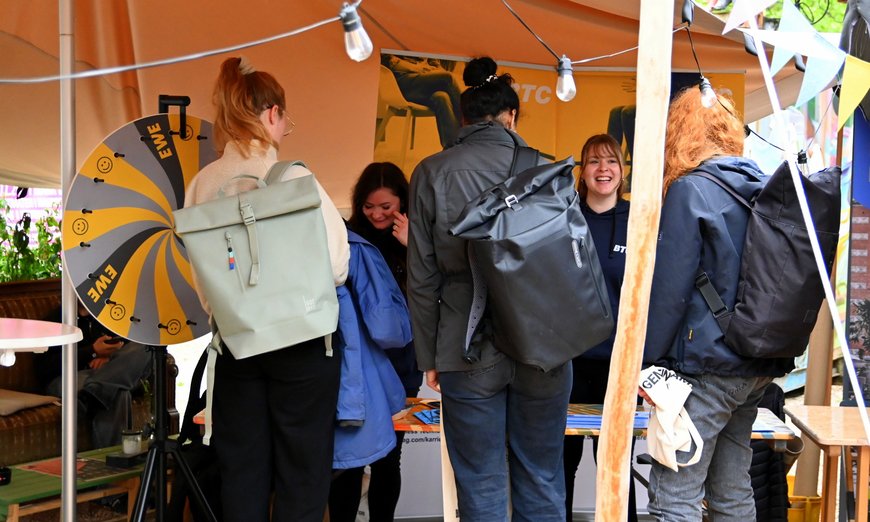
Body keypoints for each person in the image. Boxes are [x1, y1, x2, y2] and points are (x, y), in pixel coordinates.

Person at [183, 56, 349, 522]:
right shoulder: (297, 179)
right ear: (272, 113)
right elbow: (338, 266)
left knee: (243, 470)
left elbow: (203, 278)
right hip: (302, 341)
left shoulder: (201, 185)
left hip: (237, 342)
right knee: (303, 472)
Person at [407, 56, 572, 521]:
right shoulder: (547, 170)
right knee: (541, 476)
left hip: (465, 342)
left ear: (463, 118)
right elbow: (571, 265)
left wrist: (429, 356)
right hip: (544, 341)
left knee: (480, 483)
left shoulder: (432, 172)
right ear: (511, 115)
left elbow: (421, 277)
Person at [641, 86, 794, 521]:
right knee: (731, 491)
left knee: (675, 496)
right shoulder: (762, 185)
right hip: (756, 365)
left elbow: (670, 291)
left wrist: (645, 361)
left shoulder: (691, 190)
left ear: (679, 133)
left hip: (707, 368)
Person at [328, 161, 422, 522]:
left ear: (403, 202)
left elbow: (434, 296)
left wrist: (414, 248)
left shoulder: (415, 240)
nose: (378, 215)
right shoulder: (345, 239)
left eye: (387, 207)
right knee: (350, 458)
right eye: (369, 207)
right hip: (357, 363)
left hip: (401, 362)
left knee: (389, 457)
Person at [563, 134, 638, 522]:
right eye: (593, 161)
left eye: (611, 161)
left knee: (615, 464)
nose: (603, 169)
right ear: (582, 171)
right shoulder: (564, 217)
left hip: (619, 365)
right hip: (568, 361)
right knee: (564, 461)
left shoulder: (639, 220)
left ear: (622, 171)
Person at [35, 300, 151, 449]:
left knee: (147, 346)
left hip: (106, 373)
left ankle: (94, 392)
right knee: (117, 392)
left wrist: (109, 358)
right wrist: (92, 352)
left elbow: (130, 350)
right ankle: (112, 456)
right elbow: (44, 368)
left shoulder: (112, 314)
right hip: (69, 376)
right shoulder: (55, 320)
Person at [382, 54, 462, 149]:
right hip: (400, 81)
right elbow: (388, 60)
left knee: (441, 96)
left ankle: (453, 148)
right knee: (448, 78)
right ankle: (470, 126)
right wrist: (416, 68)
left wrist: (433, 70)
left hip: (422, 82)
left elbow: (435, 65)